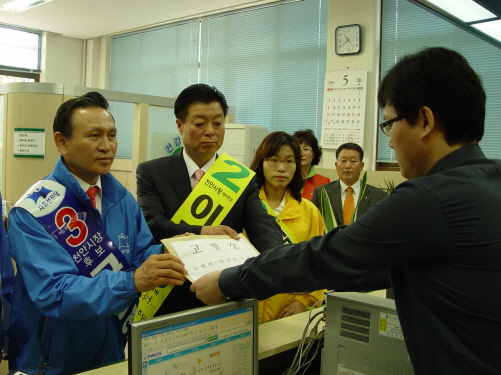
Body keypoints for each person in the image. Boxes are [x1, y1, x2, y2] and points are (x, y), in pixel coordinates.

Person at [191, 47, 501, 375]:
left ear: (424, 120)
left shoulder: (430, 199)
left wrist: (228, 281)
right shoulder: (487, 182)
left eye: (390, 124)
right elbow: (370, 265)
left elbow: (328, 256)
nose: (391, 142)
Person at [7, 92, 187, 375]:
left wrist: (174, 250)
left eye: (112, 135)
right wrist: (132, 281)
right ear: (61, 142)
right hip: (50, 360)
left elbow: (138, 254)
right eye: (94, 136)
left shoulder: (121, 198)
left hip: (111, 350)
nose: (107, 146)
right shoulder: (32, 212)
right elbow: (55, 292)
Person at [136, 83, 283, 316]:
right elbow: (153, 224)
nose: (210, 131)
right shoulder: (153, 172)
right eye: (199, 123)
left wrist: (281, 262)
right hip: (170, 297)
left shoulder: (240, 179)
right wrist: (202, 230)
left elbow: (263, 229)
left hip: (225, 297)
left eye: (218, 123)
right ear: (180, 125)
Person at [249, 131, 324, 322]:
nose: (281, 168)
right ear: (261, 162)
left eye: (289, 161)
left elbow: (319, 266)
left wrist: (303, 301)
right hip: (245, 310)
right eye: (274, 160)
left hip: (288, 316)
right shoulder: (244, 206)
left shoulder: (309, 212)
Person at [311, 142, 387, 226]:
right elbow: (314, 225)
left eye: (353, 161)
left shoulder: (379, 196)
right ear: (336, 166)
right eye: (343, 161)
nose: (347, 166)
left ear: (361, 166)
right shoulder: (321, 192)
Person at [292, 129, 330, 201]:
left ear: (314, 154)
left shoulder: (324, 182)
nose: (301, 154)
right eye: (297, 149)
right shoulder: (286, 179)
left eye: (305, 149)